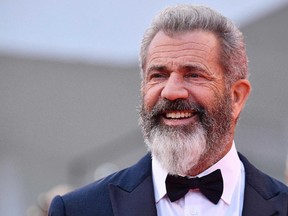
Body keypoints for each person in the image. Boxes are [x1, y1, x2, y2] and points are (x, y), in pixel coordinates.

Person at [48, 5, 288, 216]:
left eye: (194, 74)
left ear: (236, 97)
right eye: (158, 75)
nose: (171, 92)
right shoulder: (78, 210)